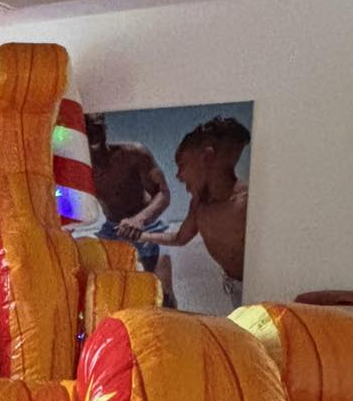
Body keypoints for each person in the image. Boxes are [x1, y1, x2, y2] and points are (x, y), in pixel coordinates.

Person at [149, 117, 249, 307]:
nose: (178, 175)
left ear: (208, 157)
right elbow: (180, 238)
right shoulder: (199, 204)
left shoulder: (244, 206)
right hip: (234, 289)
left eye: (182, 165)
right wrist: (145, 236)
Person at [85, 113, 176, 306]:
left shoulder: (134, 154)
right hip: (112, 230)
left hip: (148, 227)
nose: (93, 134)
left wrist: (139, 220)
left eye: (97, 127)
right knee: (111, 298)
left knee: (163, 294)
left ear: (104, 128)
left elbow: (163, 194)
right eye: (87, 129)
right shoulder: (81, 171)